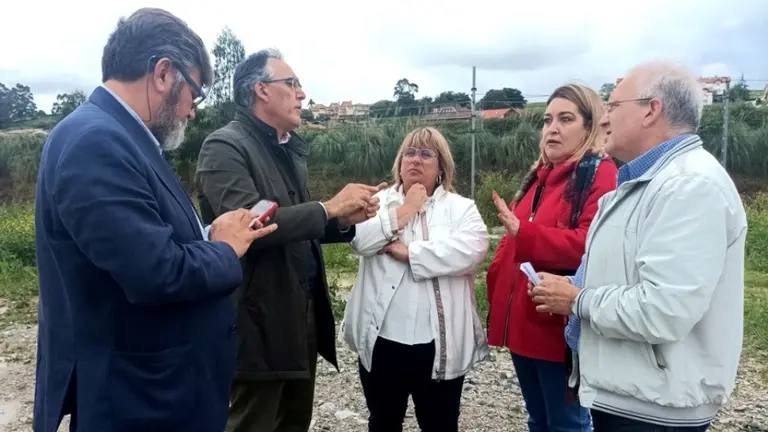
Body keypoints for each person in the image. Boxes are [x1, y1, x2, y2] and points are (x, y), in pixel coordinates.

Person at [32, 8, 278, 432]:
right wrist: (224, 249)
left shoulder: (120, 137)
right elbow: (156, 273)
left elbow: (139, 242)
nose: (192, 111)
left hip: (154, 392)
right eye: (194, 94)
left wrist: (207, 234)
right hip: (142, 401)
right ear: (164, 73)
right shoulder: (96, 142)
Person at [530, 61, 748, 431]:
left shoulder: (689, 186)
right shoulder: (643, 182)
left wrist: (577, 300)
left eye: (613, 107)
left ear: (652, 110)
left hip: (655, 410)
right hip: (634, 394)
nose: (603, 120)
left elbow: (665, 308)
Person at [194, 49, 383, 432]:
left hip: (299, 319)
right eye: (292, 84)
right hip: (255, 320)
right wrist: (328, 207)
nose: (302, 94)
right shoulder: (224, 147)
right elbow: (251, 227)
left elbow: (293, 226)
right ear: (261, 90)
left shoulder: (286, 149)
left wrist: (340, 221)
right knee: (253, 423)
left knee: (295, 422)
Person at [340, 127, 490, 432]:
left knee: (441, 425)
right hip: (383, 342)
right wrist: (405, 211)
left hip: (438, 346)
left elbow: (472, 249)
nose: (416, 160)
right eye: (409, 152)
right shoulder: (378, 202)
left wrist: (412, 254)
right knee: (382, 422)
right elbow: (361, 241)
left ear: (441, 167)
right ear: (399, 162)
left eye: (426, 153)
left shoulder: (461, 208)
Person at [485, 83, 617, 431]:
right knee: (539, 418)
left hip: (558, 326)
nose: (552, 128)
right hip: (524, 321)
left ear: (589, 128)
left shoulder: (599, 175)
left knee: (566, 423)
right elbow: (512, 245)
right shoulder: (538, 177)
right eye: (547, 120)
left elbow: (591, 245)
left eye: (566, 118)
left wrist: (523, 233)